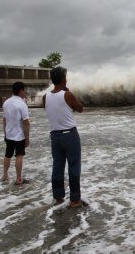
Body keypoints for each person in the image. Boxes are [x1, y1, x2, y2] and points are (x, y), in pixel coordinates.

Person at [43, 66, 84, 207]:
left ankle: (58, 197)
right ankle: (75, 200)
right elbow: (80, 108)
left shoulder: (45, 96)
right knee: (74, 167)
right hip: (69, 135)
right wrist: (69, 93)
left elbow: (53, 110)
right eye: (65, 77)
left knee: (57, 167)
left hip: (55, 136)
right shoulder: (67, 95)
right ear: (62, 79)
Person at [2, 82, 30, 185]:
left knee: (7, 155)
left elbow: (4, 120)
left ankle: (5, 175)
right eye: (24, 90)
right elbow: (26, 123)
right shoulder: (22, 104)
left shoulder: (6, 102)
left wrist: (5, 133)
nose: (25, 92)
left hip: (9, 134)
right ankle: (19, 179)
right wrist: (27, 138)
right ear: (21, 91)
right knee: (19, 156)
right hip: (19, 136)